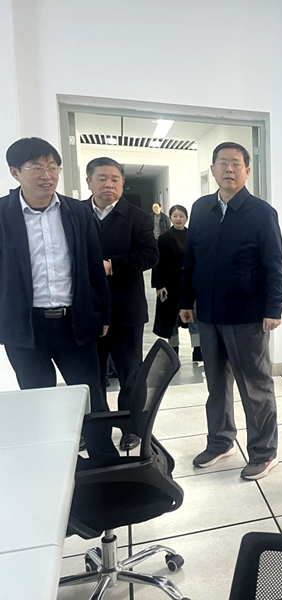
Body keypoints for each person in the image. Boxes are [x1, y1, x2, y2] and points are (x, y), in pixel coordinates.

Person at [0, 138, 116, 457]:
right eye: (37, 167)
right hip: (26, 329)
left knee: (91, 398)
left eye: (53, 167)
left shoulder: (76, 211)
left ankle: (105, 461)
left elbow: (93, 265)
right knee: (39, 401)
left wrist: (103, 313)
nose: (47, 175)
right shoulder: (3, 214)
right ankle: (54, 462)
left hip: (74, 323)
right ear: (15, 172)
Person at [180, 142, 282, 481]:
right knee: (216, 384)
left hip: (247, 316)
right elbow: (190, 260)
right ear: (212, 169)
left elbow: (274, 265)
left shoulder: (261, 213)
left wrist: (274, 307)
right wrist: (185, 301)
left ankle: (264, 452)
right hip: (208, 315)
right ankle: (221, 441)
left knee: (255, 387)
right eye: (222, 163)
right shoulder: (201, 209)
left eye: (236, 163)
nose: (229, 169)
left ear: (247, 171)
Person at [85, 157, 159, 451]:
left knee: (131, 374)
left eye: (115, 179)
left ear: (123, 183)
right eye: (102, 178)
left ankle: (131, 426)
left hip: (126, 310)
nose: (109, 184)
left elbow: (150, 255)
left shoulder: (138, 217)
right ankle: (95, 428)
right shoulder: (76, 213)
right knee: (91, 376)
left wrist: (112, 265)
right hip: (88, 310)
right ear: (89, 181)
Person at [152, 204, 202, 362]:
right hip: (169, 284)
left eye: (181, 216)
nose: (178, 219)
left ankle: (197, 349)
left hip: (189, 283)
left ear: (186, 218)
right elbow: (157, 262)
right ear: (170, 218)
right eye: (175, 216)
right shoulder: (164, 238)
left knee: (194, 315)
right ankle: (173, 350)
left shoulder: (193, 236)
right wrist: (159, 284)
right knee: (171, 319)